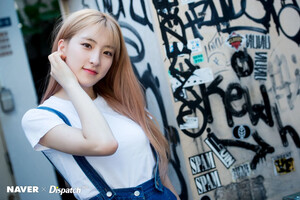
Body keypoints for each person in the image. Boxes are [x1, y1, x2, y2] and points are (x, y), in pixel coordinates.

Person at [22, 9, 180, 200]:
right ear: (62, 48)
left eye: (107, 52)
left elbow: (162, 177)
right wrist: (70, 84)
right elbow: (103, 144)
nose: (95, 60)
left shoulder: (123, 104)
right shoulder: (41, 118)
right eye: (87, 45)